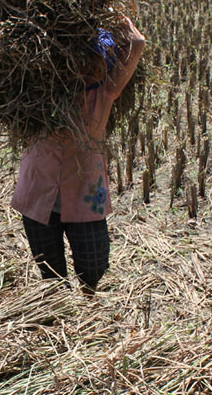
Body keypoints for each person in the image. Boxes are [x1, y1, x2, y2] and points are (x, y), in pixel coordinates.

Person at [11, 17, 145, 294]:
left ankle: (87, 300)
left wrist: (118, 18)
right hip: (38, 194)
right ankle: (64, 319)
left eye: (98, 61)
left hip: (86, 194)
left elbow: (137, 43)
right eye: (85, 60)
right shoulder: (40, 93)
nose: (91, 67)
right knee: (51, 276)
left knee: (94, 264)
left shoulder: (104, 94)